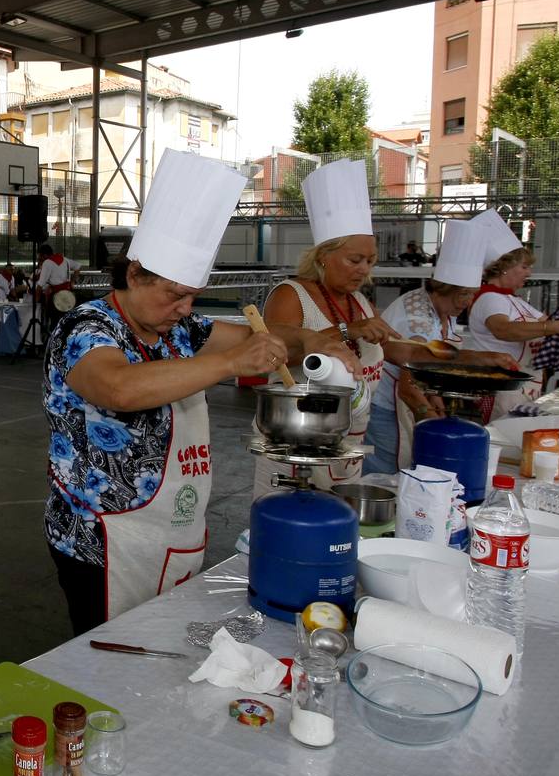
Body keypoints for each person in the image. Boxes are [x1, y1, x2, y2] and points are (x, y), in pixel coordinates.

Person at [43, 150, 354, 632]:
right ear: (133, 274)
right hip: (100, 536)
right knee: (109, 653)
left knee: (165, 640)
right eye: (174, 295)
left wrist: (309, 340)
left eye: (193, 295)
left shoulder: (181, 328)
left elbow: (263, 336)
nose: (185, 307)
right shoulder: (86, 327)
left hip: (173, 525)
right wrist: (230, 363)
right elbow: (118, 388)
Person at [256, 160, 442, 494]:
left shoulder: (358, 301)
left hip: (348, 444)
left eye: (370, 260)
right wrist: (347, 331)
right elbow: (274, 352)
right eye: (354, 260)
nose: (363, 269)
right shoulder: (292, 294)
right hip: (294, 443)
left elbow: (391, 348)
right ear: (323, 256)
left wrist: (446, 358)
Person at [364, 220, 516, 473]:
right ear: (445, 288)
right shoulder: (417, 321)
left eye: (470, 295)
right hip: (385, 408)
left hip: (401, 403)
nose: (466, 303)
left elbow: (428, 372)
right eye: (463, 295)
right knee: (387, 476)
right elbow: (410, 386)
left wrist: (439, 409)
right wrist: (436, 427)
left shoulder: (443, 308)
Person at [466, 209, 559, 419]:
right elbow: (503, 330)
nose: (529, 273)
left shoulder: (514, 301)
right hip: (503, 387)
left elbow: (552, 324)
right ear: (503, 268)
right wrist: (558, 326)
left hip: (526, 384)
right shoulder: (490, 299)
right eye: (524, 267)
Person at [35, 242, 81, 327]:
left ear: (44, 255)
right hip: (68, 295)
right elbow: (78, 266)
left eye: (40, 255)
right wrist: (73, 282)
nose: (39, 257)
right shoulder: (65, 259)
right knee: (66, 321)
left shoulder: (47, 263)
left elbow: (40, 284)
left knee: (54, 323)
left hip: (55, 297)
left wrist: (36, 301)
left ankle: (53, 338)